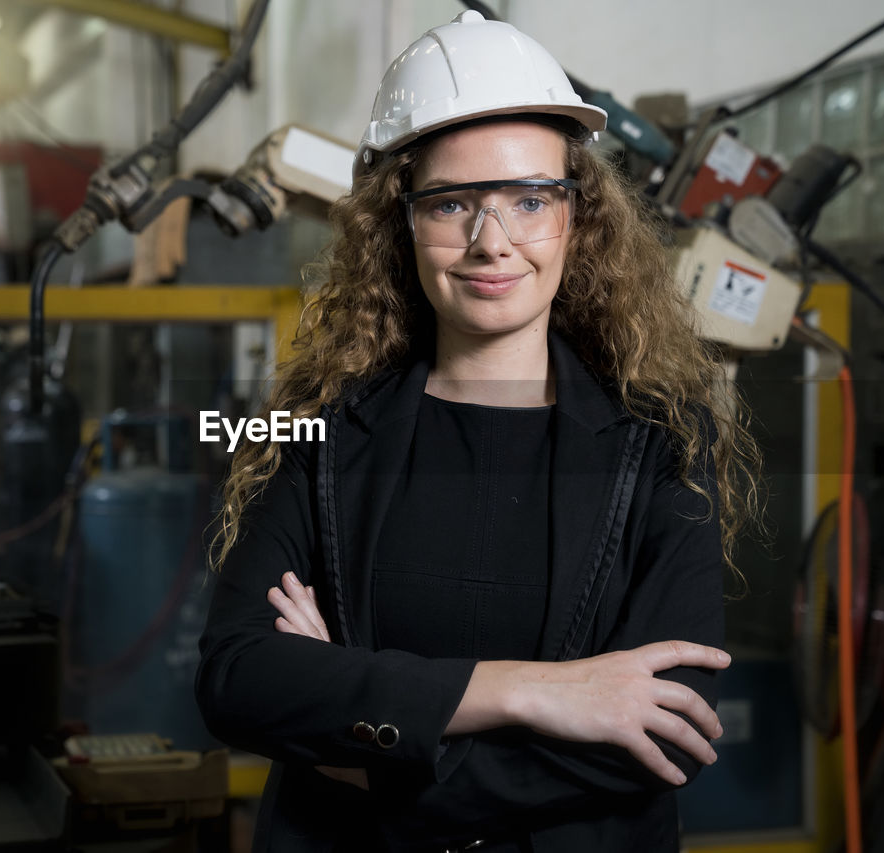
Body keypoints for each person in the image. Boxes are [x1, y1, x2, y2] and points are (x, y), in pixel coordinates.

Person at [195, 10, 761, 852]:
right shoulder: (315, 431)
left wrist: (364, 748)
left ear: (579, 216)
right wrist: (531, 692)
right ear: (402, 223)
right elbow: (238, 676)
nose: (492, 243)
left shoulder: (666, 444)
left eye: (531, 199)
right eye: (453, 203)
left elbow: (667, 727)